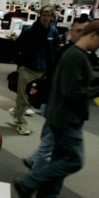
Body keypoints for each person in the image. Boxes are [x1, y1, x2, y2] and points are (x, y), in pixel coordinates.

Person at [13, 20, 99, 198]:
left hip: (65, 115)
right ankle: (28, 184)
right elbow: (71, 92)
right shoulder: (75, 57)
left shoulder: (78, 55)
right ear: (93, 35)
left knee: (60, 158)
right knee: (73, 160)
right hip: (66, 117)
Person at [23, 15, 90, 172]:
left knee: (49, 141)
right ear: (71, 31)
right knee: (49, 145)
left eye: (84, 31)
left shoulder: (75, 52)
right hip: (57, 106)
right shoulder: (70, 54)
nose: (81, 34)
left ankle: (33, 163)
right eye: (78, 31)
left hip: (57, 106)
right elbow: (68, 89)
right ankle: (34, 179)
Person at [11, 5, 59, 135]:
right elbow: (17, 47)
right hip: (27, 68)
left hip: (43, 71)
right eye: (44, 15)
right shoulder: (29, 31)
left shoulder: (53, 32)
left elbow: (54, 52)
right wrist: (19, 64)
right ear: (40, 15)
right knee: (23, 97)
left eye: (48, 16)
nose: (46, 18)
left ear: (51, 17)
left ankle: (17, 112)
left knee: (35, 97)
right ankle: (21, 122)